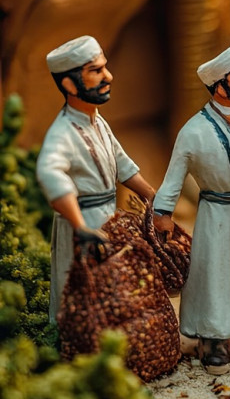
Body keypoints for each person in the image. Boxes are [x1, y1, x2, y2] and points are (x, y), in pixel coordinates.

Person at [153, 44, 230, 374]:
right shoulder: (194, 132)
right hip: (217, 214)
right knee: (218, 273)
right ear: (219, 84)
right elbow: (173, 176)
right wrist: (162, 215)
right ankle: (213, 338)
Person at [36, 35, 156, 320]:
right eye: (96, 70)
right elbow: (50, 172)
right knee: (81, 294)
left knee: (110, 292)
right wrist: (79, 226)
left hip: (108, 219)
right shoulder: (62, 133)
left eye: (106, 67)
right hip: (84, 228)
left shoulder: (98, 121)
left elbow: (122, 164)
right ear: (69, 84)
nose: (108, 76)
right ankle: (78, 349)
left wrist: (152, 196)